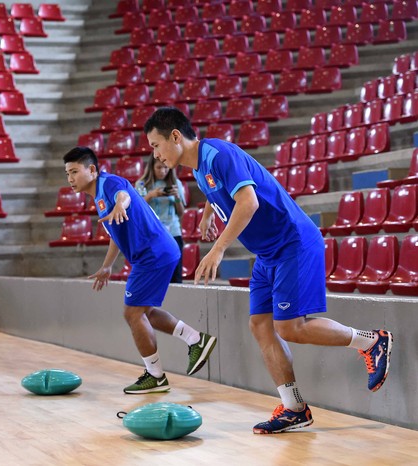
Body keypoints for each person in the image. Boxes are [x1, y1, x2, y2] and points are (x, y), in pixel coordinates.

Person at [144, 107, 393, 434]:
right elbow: (214, 189)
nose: (155, 154)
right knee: (260, 325)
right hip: (267, 253)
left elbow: (248, 202)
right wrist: (207, 215)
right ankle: (294, 409)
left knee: (290, 328)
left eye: (155, 144)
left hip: (293, 242)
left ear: (175, 136)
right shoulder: (199, 165)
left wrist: (218, 248)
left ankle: (371, 341)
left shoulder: (219, 154)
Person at [63, 146, 217, 394]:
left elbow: (123, 196)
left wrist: (121, 205)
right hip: (157, 253)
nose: (70, 179)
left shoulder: (109, 183)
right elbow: (116, 232)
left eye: (74, 172)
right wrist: (106, 266)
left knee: (132, 314)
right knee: (143, 312)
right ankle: (196, 340)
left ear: (91, 170)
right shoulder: (99, 198)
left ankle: (156, 376)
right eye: (67, 174)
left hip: (152, 254)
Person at [135, 156, 186, 283]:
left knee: (175, 274)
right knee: (155, 276)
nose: (163, 171)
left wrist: (177, 197)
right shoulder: (142, 184)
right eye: (159, 167)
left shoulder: (176, 183)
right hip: (152, 234)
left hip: (173, 232)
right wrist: (151, 195)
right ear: (152, 167)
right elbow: (137, 210)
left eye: (165, 167)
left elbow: (181, 212)